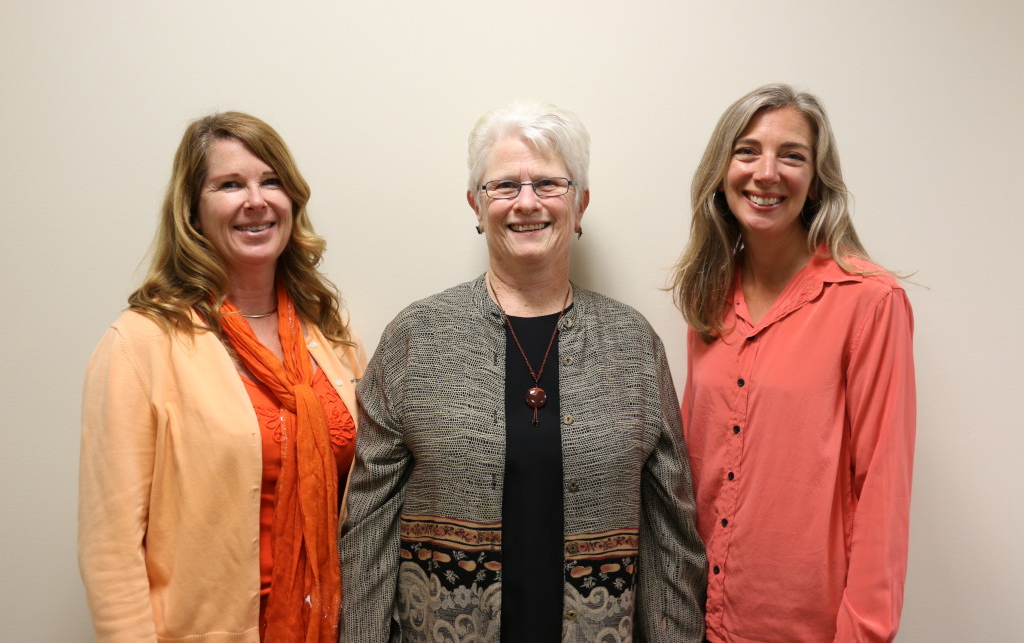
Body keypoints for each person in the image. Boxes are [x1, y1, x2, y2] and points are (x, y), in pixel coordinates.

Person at [339, 101, 706, 642]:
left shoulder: (632, 345)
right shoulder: (415, 338)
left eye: (549, 184)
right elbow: (368, 523)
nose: (527, 202)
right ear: (476, 204)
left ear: (580, 205)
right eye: (504, 185)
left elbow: (670, 532)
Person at [78, 112, 365, 643]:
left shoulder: (329, 330)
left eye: (271, 181)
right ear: (193, 209)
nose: (255, 201)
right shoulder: (141, 343)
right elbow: (110, 548)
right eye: (230, 184)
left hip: (333, 627)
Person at [670, 84, 916, 642]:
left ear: (815, 180)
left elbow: (882, 487)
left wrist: (864, 633)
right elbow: (692, 467)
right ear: (722, 169)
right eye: (748, 150)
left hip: (807, 628)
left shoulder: (870, 301)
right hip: (697, 619)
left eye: (792, 155)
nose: (767, 172)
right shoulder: (708, 296)